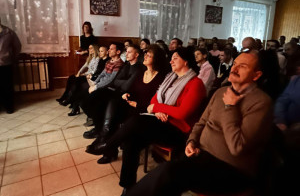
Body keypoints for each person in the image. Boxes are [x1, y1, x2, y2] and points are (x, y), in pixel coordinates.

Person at [124, 50, 273, 196]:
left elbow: (237, 147)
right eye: (234, 64)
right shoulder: (221, 92)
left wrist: (230, 107)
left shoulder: (261, 102)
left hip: (230, 168)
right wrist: (192, 141)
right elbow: (201, 123)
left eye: (243, 66)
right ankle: (127, 187)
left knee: (168, 173)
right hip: (201, 155)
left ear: (256, 75)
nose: (234, 68)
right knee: (162, 174)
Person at [85, 47, 206, 196]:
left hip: (179, 131)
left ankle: (108, 144)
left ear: (186, 61)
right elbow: (155, 98)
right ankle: (127, 186)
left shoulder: (196, 83)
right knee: (131, 140)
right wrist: (158, 109)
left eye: (175, 58)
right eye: (171, 58)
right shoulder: (171, 77)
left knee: (137, 120)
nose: (171, 61)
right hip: (161, 122)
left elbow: (182, 113)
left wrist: (158, 107)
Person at [88, 44, 169, 164]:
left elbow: (156, 101)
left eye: (149, 55)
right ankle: (104, 140)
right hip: (131, 104)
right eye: (145, 54)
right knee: (113, 102)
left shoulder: (160, 77)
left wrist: (137, 104)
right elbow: (129, 87)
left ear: (156, 59)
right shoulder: (142, 72)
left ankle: (105, 144)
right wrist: (127, 94)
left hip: (143, 109)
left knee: (114, 109)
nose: (145, 56)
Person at [0, 19, 22, 113]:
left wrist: (12, 57)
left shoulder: (9, 32)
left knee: (7, 86)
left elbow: (17, 46)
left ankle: (9, 107)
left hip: (6, 63)